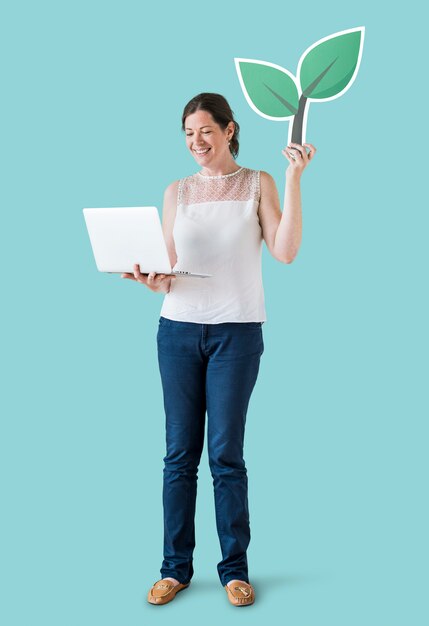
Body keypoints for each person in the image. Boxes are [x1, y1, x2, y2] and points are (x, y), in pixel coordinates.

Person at [121, 93, 316, 606]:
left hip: (237, 333)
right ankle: (174, 568)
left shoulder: (258, 183)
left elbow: (286, 252)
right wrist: (149, 278)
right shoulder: (176, 191)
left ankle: (234, 570)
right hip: (178, 331)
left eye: (205, 131)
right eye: (188, 134)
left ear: (229, 130)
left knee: (226, 455)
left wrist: (294, 180)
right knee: (178, 456)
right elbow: (166, 267)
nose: (196, 142)